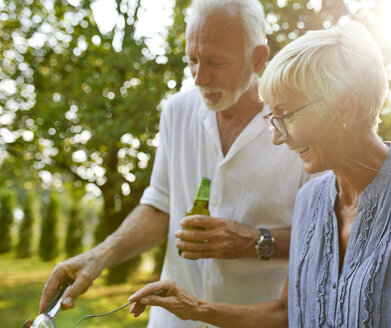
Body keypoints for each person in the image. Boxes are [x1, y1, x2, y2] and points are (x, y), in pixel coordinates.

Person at [127, 21, 391, 327]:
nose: (276, 136)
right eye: (272, 117)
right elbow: (289, 312)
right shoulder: (310, 201)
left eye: (286, 115)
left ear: (344, 108)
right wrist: (196, 308)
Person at [38, 1, 311, 327]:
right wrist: (99, 258)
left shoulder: (300, 125)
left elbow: (329, 236)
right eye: (192, 60)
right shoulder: (176, 111)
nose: (199, 77)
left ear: (258, 58)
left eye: (215, 61)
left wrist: (253, 241)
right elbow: (160, 206)